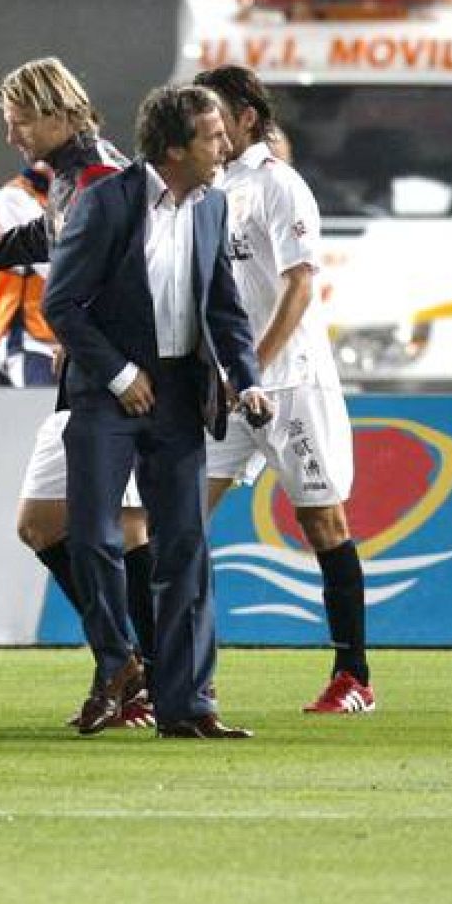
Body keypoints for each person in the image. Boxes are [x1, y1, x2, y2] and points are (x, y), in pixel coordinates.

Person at [0, 58, 157, 730]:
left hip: (116, 380)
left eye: (20, 120)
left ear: (60, 112)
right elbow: (49, 237)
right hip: (87, 376)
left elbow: (133, 278)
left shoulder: (100, 178)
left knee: (118, 530)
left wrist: (118, 367)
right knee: (41, 524)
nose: (12, 135)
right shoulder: (70, 178)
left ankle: (137, 669)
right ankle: (127, 660)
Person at [43, 84, 269, 740]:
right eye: (213, 137)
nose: (225, 147)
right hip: (109, 391)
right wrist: (119, 374)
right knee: (92, 537)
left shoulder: (214, 207)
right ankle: (118, 663)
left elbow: (223, 308)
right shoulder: (105, 203)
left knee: (185, 549)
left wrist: (245, 378)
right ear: (173, 147)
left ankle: (188, 705)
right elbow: (62, 302)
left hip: (178, 397)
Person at [194, 64, 373, 715]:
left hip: (291, 383)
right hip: (231, 391)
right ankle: (177, 676)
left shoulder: (280, 185)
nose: (208, 128)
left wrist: (254, 368)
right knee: (180, 520)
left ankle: (353, 676)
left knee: (322, 521)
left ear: (246, 118)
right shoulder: (213, 189)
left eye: (217, 115)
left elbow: (300, 285)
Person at [0, 162, 55, 387]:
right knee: (39, 415)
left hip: (72, 342)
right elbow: (53, 263)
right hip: (31, 338)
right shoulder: (16, 196)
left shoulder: (75, 197)